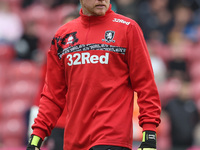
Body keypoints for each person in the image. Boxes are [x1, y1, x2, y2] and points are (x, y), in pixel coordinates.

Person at [27, 0, 161, 150]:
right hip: (73, 142)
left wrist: (149, 135)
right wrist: (36, 138)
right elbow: (52, 96)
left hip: (112, 139)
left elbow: (146, 86)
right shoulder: (62, 35)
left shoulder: (128, 28)